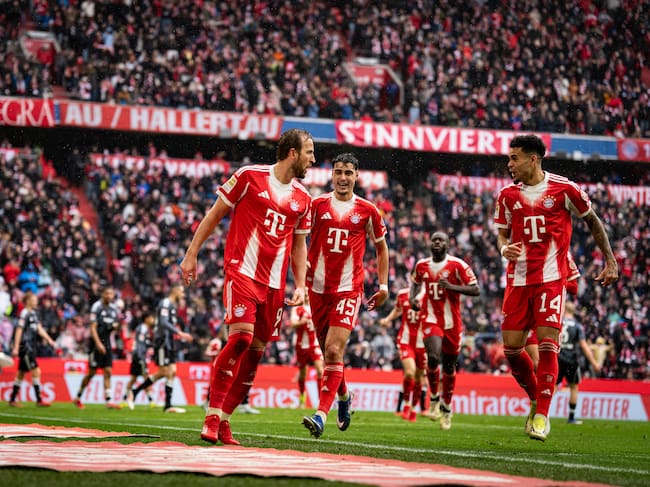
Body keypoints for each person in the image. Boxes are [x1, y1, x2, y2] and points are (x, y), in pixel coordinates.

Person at [181, 128, 315, 445]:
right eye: (309, 152)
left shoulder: (304, 199)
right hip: (242, 272)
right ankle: (212, 415)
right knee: (240, 337)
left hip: (274, 285)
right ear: (293, 153)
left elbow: (299, 246)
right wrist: (191, 253)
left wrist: (300, 284)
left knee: (255, 355)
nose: (313, 159)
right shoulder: (248, 176)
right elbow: (214, 215)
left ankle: (225, 419)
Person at [495, 134, 618, 441]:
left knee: (548, 343)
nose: (509, 164)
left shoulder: (564, 189)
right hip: (518, 280)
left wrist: (610, 260)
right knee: (511, 350)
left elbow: (593, 221)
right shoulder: (507, 195)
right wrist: (504, 248)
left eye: (514, 158)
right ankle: (536, 397)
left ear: (533, 159)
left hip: (551, 279)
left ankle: (542, 415)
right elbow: (502, 233)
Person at [302, 152, 389, 438]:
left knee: (333, 350)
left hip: (348, 290)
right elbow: (298, 238)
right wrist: (300, 270)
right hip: (317, 289)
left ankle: (320, 415)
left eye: (348, 173)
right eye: (338, 172)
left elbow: (381, 248)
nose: (343, 177)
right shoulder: (316, 205)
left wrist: (384, 286)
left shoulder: (368, 210)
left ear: (356, 176)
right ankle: (344, 396)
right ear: (332, 174)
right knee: (330, 355)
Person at [410, 231, 480, 430]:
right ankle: (433, 397)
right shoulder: (421, 265)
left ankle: (446, 408)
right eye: (434, 240)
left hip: (452, 323)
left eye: (441, 240)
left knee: (449, 367)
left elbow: (475, 289)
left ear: (448, 245)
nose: (437, 242)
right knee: (433, 357)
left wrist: (452, 287)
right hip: (430, 318)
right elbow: (415, 283)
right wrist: (413, 299)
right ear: (430, 244)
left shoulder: (457, 265)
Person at [128, 284, 193, 412]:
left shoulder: (172, 306)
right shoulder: (165, 303)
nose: (183, 295)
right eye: (181, 292)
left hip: (169, 341)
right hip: (162, 342)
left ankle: (167, 404)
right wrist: (179, 333)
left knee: (172, 370)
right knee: (164, 372)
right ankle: (135, 392)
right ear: (174, 291)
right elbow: (163, 322)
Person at [525, 251, 581, 370]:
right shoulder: (531, 248)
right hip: (531, 313)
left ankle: (545, 382)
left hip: (551, 312)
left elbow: (574, 287)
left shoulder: (564, 253)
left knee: (546, 362)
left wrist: (553, 282)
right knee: (535, 363)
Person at [379, 287, 426, 421]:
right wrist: (388, 319)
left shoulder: (428, 296)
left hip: (423, 343)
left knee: (419, 378)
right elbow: (398, 309)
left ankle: (414, 409)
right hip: (406, 341)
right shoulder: (403, 294)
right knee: (410, 372)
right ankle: (406, 404)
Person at [73, 286, 121, 409]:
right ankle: (78, 396)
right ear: (103, 294)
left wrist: (115, 326)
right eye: (107, 293)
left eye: (111, 294)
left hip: (107, 342)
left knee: (108, 371)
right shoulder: (96, 307)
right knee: (91, 373)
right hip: (95, 343)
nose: (109, 296)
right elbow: (93, 327)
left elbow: (116, 324)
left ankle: (108, 400)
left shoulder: (113, 309)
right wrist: (98, 343)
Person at [8, 292, 57, 407]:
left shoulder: (33, 314)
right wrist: (16, 347)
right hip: (25, 346)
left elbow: (39, 329)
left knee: (21, 373)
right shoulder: (24, 313)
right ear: (28, 301)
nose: (36, 302)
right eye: (34, 300)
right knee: (36, 371)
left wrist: (49, 340)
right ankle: (39, 399)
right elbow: (19, 330)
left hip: (31, 346)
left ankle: (12, 399)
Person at [557, 300, 601, 424]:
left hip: (557, 357)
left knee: (553, 386)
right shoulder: (577, 326)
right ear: (574, 311)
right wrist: (594, 363)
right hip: (571, 359)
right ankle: (571, 417)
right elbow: (583, 345)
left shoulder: (559, 323)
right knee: (574, 387)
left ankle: (543, 413)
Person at [289, 292, 324, 408]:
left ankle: (321, 401)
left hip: (314, 344)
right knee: (303, 374)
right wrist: (301, 322)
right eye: (305, 295)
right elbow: (292, 323)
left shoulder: (316, 307)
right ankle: (302, 399)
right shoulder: (297, 309)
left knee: (320, 370)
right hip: (301, 345)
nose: (307, 297)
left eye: (308, 294)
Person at [121, 312, 156, 409]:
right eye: (151, 318)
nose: (152, 320)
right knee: (146, 378)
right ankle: (151, 400)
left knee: (134, 378)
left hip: (137, 356)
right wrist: (141, 356)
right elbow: (140, 344)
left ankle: (125, 399)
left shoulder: (142, 328)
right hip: (139, 356)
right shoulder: (143, 328)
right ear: (146, 319)